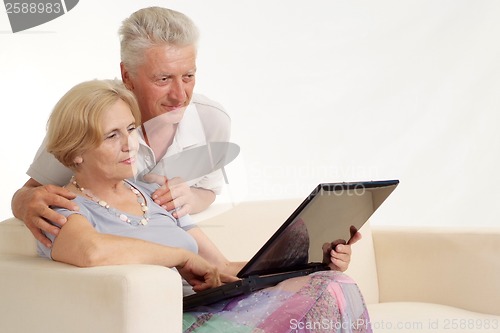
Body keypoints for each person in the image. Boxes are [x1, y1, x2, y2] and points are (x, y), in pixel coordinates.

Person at [37, 79, 371, 333]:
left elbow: (223, 268)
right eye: (112, 136)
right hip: (173, 321)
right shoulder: (60, 206)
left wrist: (314, 261)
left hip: (219, 305)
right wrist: (181, 256)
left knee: (331, 282)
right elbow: (91, 251)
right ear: (76, 149)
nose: (129, 145)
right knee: (330, 294)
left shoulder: (154, 193)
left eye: (130, 130)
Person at [11, 6, 231, 249]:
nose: (180, 95)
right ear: (127, 75)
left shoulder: (212, 120)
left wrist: (190, 198)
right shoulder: (92, 114)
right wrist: (22, 202)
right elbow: (30, 192)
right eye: (163, 79)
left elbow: (208, 190)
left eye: (188, 76)